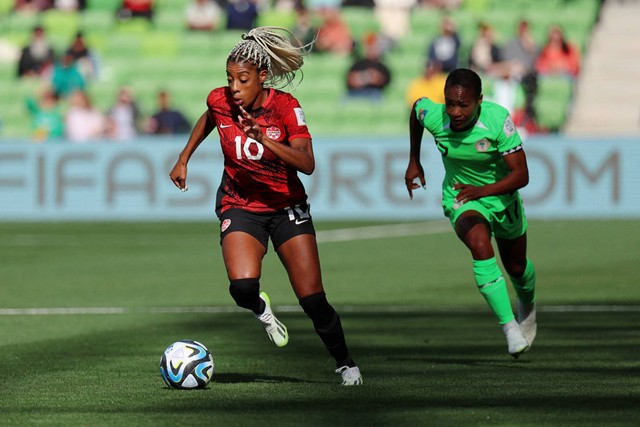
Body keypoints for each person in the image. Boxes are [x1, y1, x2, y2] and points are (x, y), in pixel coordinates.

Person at [169, 26, 363, 386]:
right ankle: (262, 309)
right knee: (242, 288)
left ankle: (346, 363)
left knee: (312, 300)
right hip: (240, 204)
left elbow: (307, 163)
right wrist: (184, 157)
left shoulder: (286, 108)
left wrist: (264, 138)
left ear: (263, 77)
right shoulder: (220, 100)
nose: (234, 88)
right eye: (229, 79)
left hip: (287, 207)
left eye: (242, 80)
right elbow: (210, 117)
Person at [404, 68, 537, 358]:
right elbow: (416, 110)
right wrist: (414, 159)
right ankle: (510, 328)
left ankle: (527, 303)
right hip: (462, 198)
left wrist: (483, 191)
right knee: (479, 245)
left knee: (516, 267)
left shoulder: (497, 120)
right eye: (450, 103)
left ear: (478, 100)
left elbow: (522, 175)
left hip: (501, 199)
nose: (455, 111)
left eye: (463, 104)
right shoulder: (436, 116)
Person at [345, 33, 391, 100]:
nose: (371, 49)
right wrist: (358, 79)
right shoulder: (358, 64)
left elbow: (385, 81)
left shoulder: (381, 66)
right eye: (369, 47)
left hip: (374, 92)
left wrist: (376, 78)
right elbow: (349, 79)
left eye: (374, 47)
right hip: (355, 92)